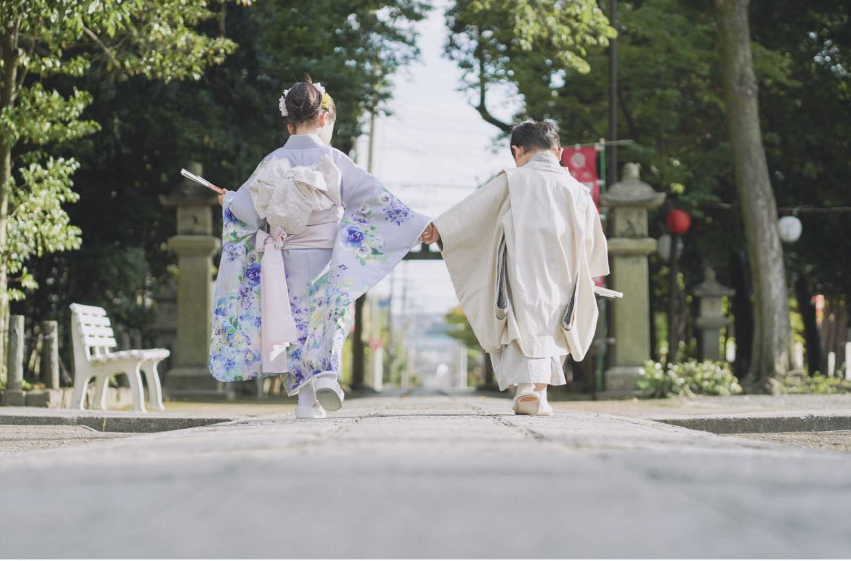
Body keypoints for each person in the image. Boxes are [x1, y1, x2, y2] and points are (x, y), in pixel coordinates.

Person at [210, 79, 431, 419]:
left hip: (284, 258)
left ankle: (305, 402)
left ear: (289, 123)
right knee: (330, 315)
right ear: (324, 117)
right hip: (328, 257)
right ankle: (326, 373)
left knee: (293, 322)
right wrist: (418, 224)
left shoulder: (272, 161)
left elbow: (249, 213)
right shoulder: (336, 159)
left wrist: (229, 200)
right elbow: (376, 199)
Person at [422, 120, 611, 416]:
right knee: (556, 325)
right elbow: (592, 243)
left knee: (520, 321)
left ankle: (525, 389)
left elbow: (475, 210)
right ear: (559, 152)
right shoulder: (578, 191)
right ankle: (541, 394)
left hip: (519, 265)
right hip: (564, 269)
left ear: (517, 150)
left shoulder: (513, 179)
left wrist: (439, 229)